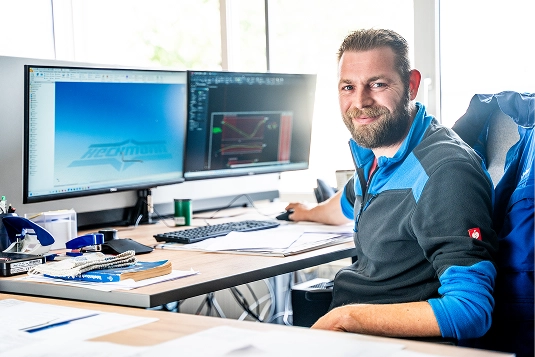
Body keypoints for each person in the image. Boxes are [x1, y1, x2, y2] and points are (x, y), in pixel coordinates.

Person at [285, 29, 498, 341]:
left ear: (411, 85)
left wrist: (346, 318)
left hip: (388, 343)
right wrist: (306, 212)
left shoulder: (446, 173)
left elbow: (470, 311)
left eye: (378, 84)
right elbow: (346, 203)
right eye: (348, 87)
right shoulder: (378, 154)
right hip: (353, 330)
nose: (360, 101)